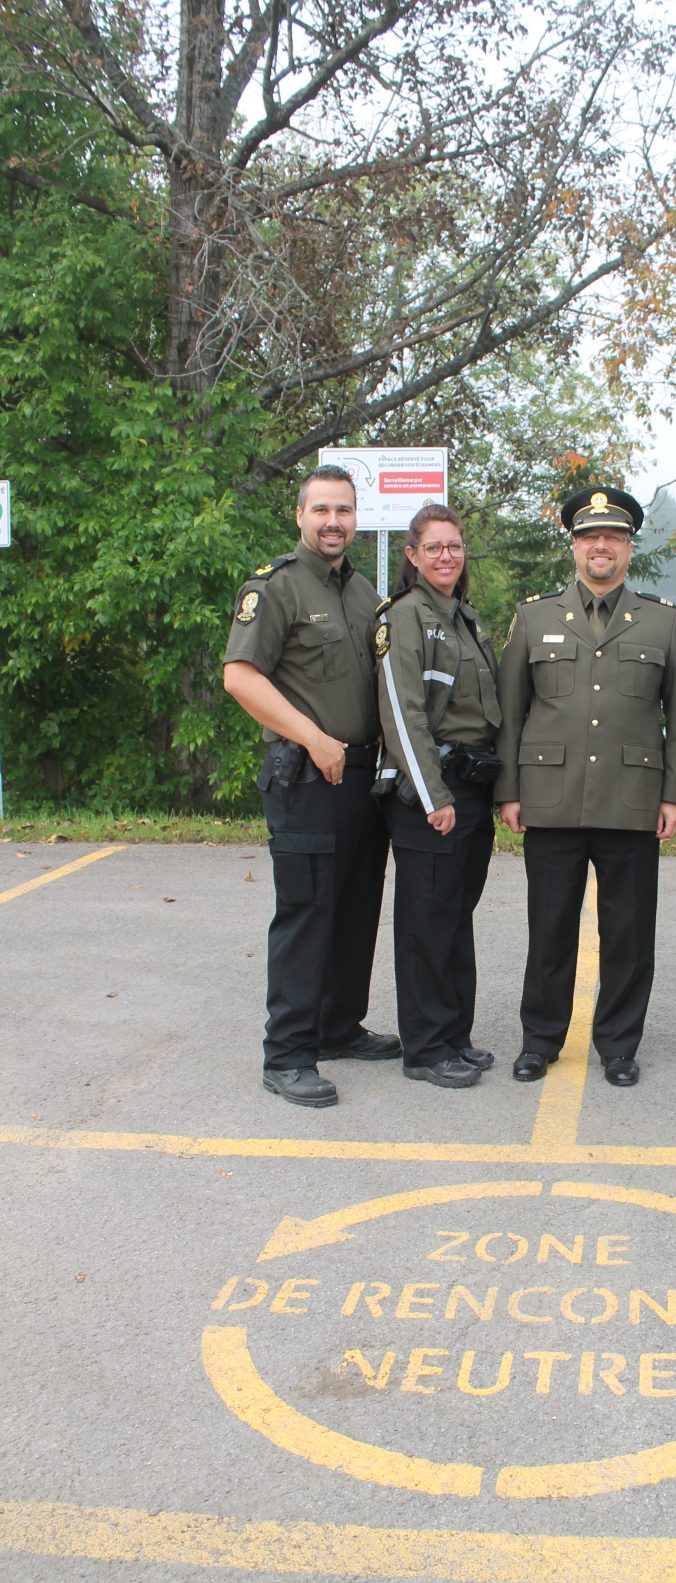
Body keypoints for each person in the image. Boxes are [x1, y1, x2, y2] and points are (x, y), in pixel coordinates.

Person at [495, 485, 676, 1087]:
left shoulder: (662, 621)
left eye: (612, 536)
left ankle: (618, 1044)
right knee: (549, 927)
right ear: (575, 546)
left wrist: (675, 795)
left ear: (628, 547)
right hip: (551, 797)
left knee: (629, 933)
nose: (600, 546)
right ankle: (540, 1040)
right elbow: (511, 708)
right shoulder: (534, 616)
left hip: (633, 801)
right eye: (590, 536)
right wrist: (508, 790)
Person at [222, 465, 400, 1108]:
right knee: (306, 915)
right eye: (321, 510)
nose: (333, 522)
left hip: (358, 777)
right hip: (306, 776)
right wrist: (312, 738)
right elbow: (241, 677)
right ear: (300, 516)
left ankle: (338, 1027)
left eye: (344, 511)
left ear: (357, 518)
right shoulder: (276, 589)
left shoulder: (361, 594)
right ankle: (288, 1054)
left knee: (354, 910)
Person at [374, 505, 501, 1088]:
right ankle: (425, 1049)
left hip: (469, 790)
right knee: (427, 922)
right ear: (412, 555)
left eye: (454, 546)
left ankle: (455, 1036)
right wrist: (433, 796)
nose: (446, 556)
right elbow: (404, 714)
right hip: (433, 794)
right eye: (434, 548)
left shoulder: (463, 618)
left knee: (454, 918)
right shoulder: (406, 616)